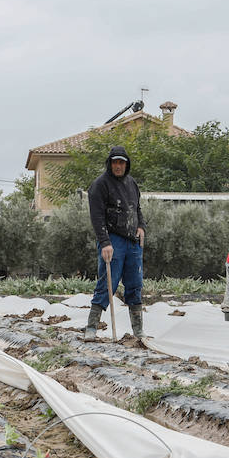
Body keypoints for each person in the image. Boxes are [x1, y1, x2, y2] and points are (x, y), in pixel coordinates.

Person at [85, 145, 145, 341]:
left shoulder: (132, 183)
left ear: (126, 164)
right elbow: (97, 216)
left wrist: (141, 226)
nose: (118, 166)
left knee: (135, 284)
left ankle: (138, 331)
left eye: (121, 162)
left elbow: (137, 209)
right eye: (115, 162)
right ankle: (92, 327)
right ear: (109, 163)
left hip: (133, 242)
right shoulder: (100, 185)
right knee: (106, 283)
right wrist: (105, 242)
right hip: (113, 240)